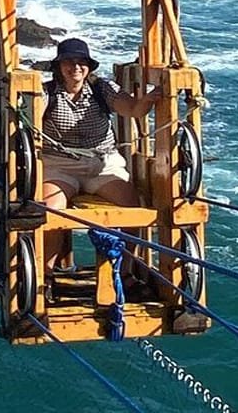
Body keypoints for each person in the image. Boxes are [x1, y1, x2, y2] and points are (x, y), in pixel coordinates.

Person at [39, 38, 161, 281]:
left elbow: (133, 110)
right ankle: (46, 274)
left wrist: (147, 100)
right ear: (59, 66)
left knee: (133, 209)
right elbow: (31, 119)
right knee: (51, 213)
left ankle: (125, 271)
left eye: (81, 62)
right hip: (60, 166)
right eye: (69, 62)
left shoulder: (101, 88)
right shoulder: (47, 92)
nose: (76, 67)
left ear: (89, 66)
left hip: (102, 164)